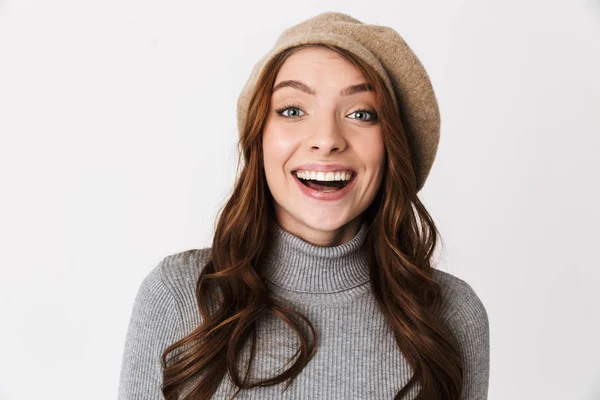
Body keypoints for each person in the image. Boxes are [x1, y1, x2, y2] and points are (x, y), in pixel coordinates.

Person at [118, 11, 490, 400]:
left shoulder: (450, 316)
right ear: (259, 139)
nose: (326, 139)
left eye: (361, 114)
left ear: (393, 146)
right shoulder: (179, 297)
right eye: (293, 111)